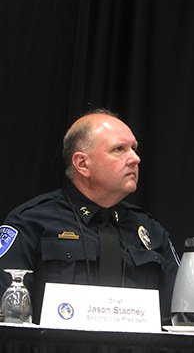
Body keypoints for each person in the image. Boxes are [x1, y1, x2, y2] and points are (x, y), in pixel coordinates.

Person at [0, 109, 180, 324]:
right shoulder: (31, 222)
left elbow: (179, 316)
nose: (135, 158)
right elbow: (8, 317)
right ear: (82, 164)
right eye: (119, 149)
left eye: (133, 148)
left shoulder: (151, 230)